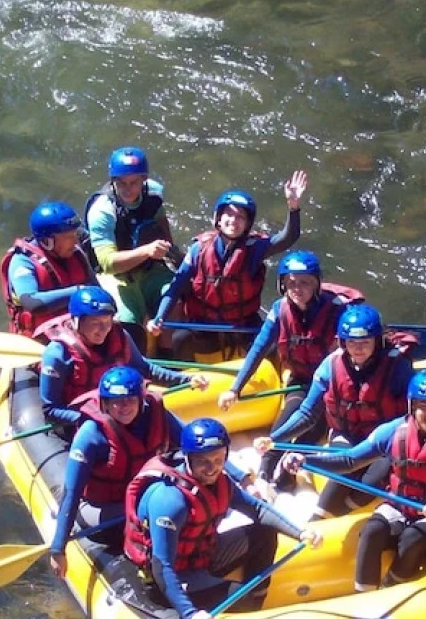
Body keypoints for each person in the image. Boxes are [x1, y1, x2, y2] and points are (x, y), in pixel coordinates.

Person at [283, 370, 426, 589]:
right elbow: (349, 460)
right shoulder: (393, 431)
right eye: (425, 407)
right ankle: (363, 593)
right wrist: (305, 461)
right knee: (371, 531)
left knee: (415, 536)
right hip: (399, 507)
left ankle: (391, 585)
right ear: (412, 405)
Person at [123, 417, 321, 619]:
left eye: (218, 460)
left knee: (264, 532)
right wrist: (190, 614)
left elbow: (258, 509)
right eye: (203, 462)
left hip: (203, 555)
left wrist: (300, 532)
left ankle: (257, 598)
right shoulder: (170, 501)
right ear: (187, 458)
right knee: (239, 594)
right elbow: (162, 567)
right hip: (176, 575)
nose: (212, 469)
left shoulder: (221, 482)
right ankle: (238, 617)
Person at [253, 303, 414, 515]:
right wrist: (275, 439)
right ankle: (319, 516)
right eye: (351, 342)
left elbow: (412, 416)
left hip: (384, 442)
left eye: (365, 342)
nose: (358, 349)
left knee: (370, 483)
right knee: (345, 465)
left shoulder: (398, 368)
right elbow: (307, 414)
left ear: (378, 341)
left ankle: (344, 510)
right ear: (342, 342)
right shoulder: (330, 365)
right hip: (346, 434)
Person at [218, 249, 362, 484]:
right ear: (282, 284)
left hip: (332, 387)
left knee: (310, 431)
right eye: (291, 282)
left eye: (305, 283)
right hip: (301, 379)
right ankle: (265, 470)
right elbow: (258, 349)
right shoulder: (279, 310)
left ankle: (285, 478)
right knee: (287, 418)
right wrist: (235, 388)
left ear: (317, 284)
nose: (298, 288)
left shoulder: (339, 312)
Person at [145, 171, 309, 360]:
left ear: (247, 224)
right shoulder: (198, 250)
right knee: (180, 339)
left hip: (243, 325)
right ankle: (184, 379)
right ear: (219, 219)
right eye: (228, 214)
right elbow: (176, 287)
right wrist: (160, 317)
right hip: (204, 324)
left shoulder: (254, 249)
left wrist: (294, 208)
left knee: (271, 347)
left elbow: (287, 238)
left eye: (240, 217)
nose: (233, 220)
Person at [47, 366, 183, 578]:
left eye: (130, 400)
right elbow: (71, 493)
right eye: (115, 402)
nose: (123, 407)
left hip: (141, 497)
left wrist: (239, 478)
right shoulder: (91, 434)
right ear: (105, 404)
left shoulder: (156, 414)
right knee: (159, 513)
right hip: (101, 510)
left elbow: (193, 448)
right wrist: (58, 548)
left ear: (141, 400)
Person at [39, 287, 208, 432]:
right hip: (86, 423)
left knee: (155, 407)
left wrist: (186, 379)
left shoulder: (119, 335)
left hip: (122, 409)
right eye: (95, 322)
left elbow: (144, 369)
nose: (104, 329)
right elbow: (50, 409)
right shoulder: (57, 354)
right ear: (76, 321)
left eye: (107, 321)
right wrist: (93, 419)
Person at [84, 147, 179, 342]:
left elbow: (163, 230)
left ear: (143, 179)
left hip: (149, 269)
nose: (128, 189)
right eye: (121, 183)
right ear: (113, 181)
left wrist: (177, 256)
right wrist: (146, 251)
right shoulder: (102, 210)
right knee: (128, 320)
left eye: (134, 182)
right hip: (117, 276)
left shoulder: (153, 195)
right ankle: (135, 361)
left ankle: (169, 361)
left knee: (175, 299)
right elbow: (107, 263)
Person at [0, 201, 99, 335]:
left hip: (77, 333)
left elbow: (96, 289)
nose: (75, 241)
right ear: (47, 241)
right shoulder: (22, 262)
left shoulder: (76, 254)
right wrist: (79, 291)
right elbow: (32, 303)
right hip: (39, 338)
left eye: (74, 234)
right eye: (68, 237)